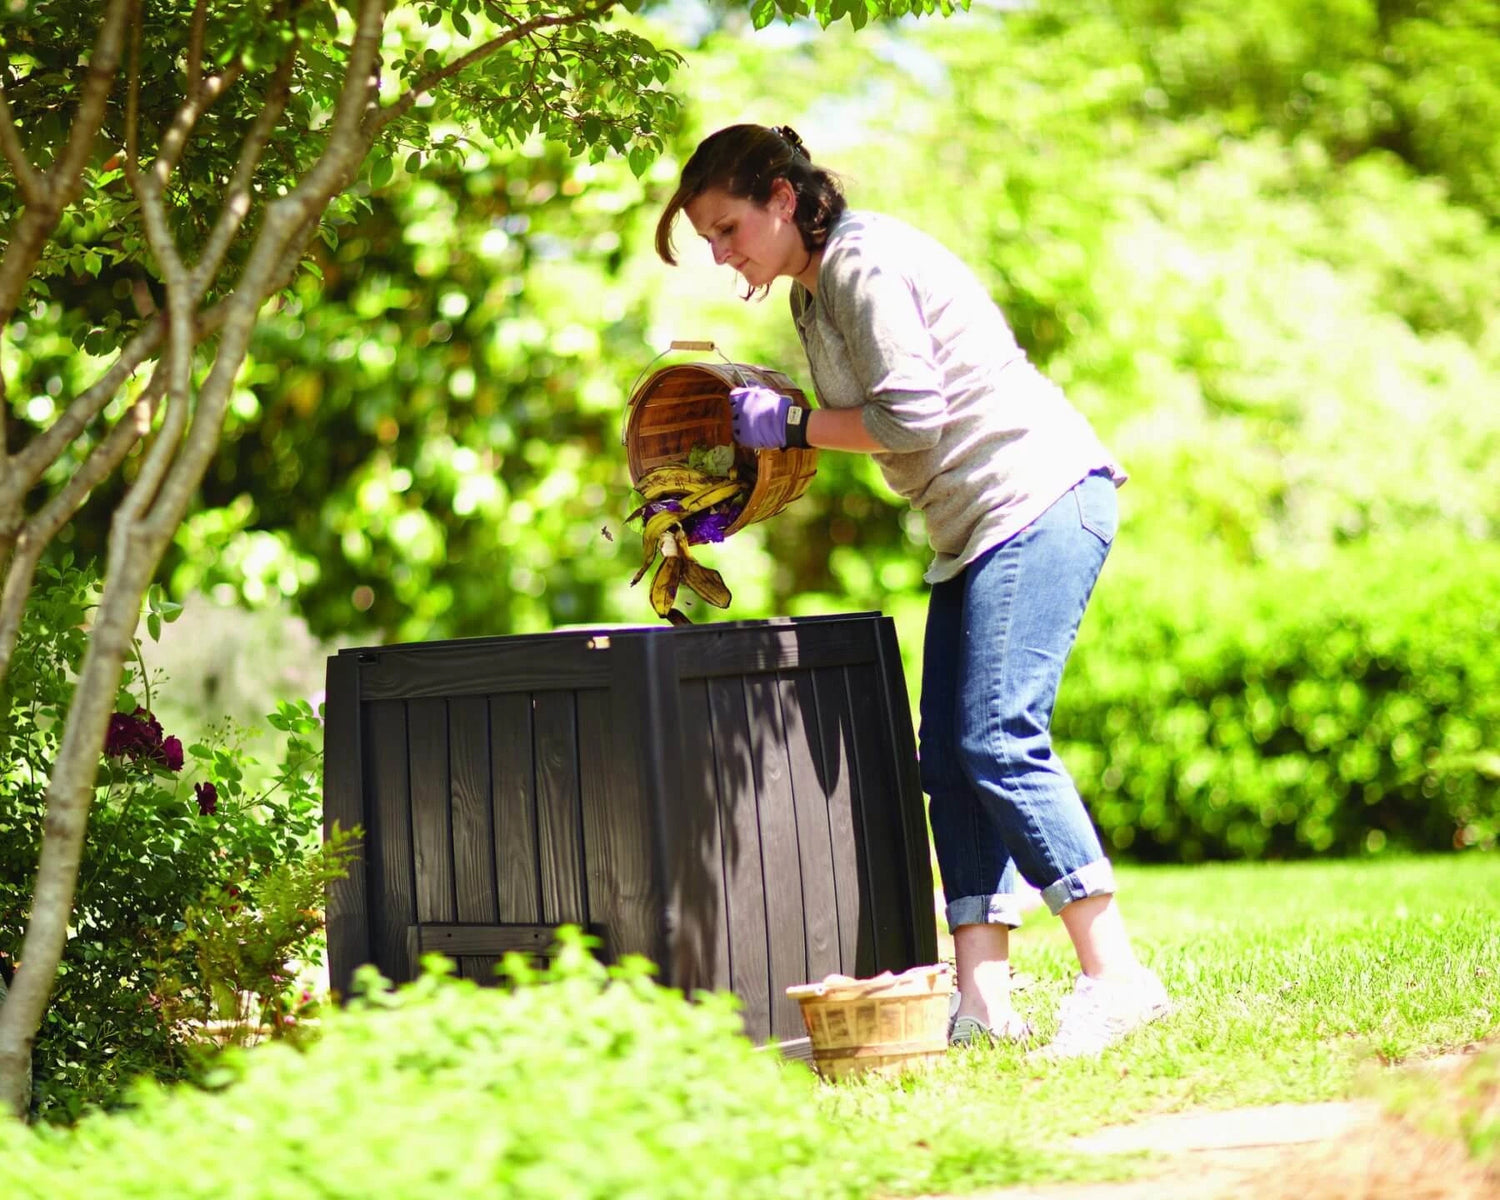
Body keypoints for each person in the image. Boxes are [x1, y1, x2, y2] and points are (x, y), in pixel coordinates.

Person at [654, 123, 1171, 1058]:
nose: (722, 254)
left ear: (781, 196)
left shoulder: (860, 264)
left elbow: (911, 419)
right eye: (710, 241)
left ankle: (1118, 979)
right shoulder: (813, 294)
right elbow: (861, 424)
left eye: (729, 229)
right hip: (972, 527)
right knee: (950, 760)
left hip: (1037, 497)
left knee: (998, 737)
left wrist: (798, 425)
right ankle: (982, 1003)